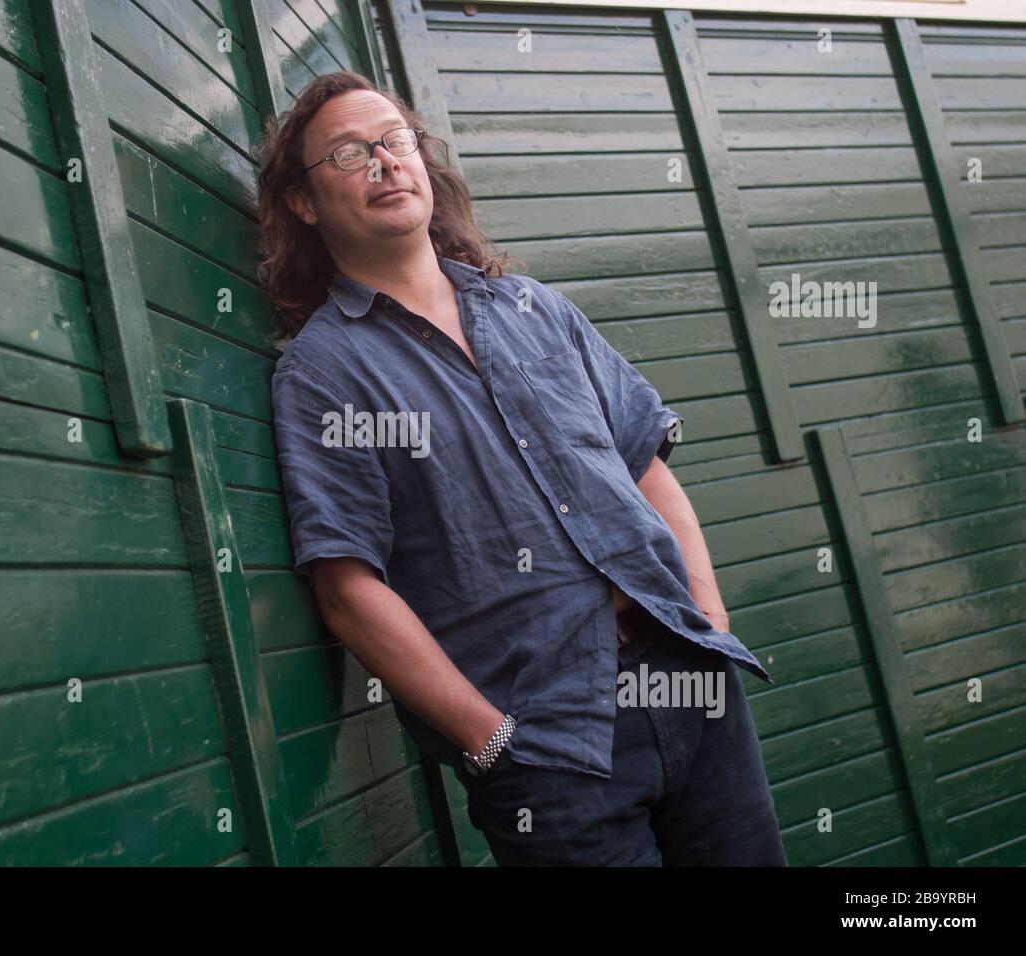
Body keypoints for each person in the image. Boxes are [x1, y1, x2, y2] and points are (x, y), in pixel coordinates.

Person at [257, 70, 787, 866]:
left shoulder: (539, 309)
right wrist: (491, 742)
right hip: (554, 755)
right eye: (349, 153)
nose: (384, 164)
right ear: (302, 201)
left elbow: (646, 468)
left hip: (689, 681)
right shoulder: (324, 374)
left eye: (396, 142)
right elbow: (349, 590)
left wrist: (708, 619)